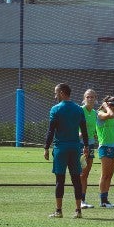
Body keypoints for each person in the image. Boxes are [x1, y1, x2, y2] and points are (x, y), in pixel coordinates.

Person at [43, 83, 89, 218]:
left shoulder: (55, 109)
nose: (55, 95)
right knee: (76, 179)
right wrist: (86, 146)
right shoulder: (79, 109)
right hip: (75, 148)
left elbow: (51, 131)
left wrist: (46, 147)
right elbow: (84, 130)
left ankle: (58, 211)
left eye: (56, 93)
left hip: (60, 148)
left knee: (60, 180)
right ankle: (78, 211)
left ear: (62, 93)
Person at [96, 95, 114, 208]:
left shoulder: (113, 113)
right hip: (105, 146)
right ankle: (102, 200)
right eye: (112, 104)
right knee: (105, 175)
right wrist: (106, 106)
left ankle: (106, 199)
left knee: (110, 174)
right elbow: (110, 115)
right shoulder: (100, 114)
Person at [79, 89, 98, 209]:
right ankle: (79, 200)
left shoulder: (95, 113)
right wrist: (78, 134)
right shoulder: (80, 110)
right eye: (88, 97)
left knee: (86, 173)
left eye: (92, 97)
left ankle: (83, 199)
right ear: (84, 98)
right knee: (81, 172)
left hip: (91, 144)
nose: (90, 99)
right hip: (81, 145)